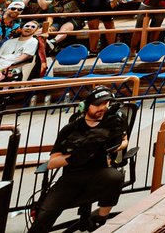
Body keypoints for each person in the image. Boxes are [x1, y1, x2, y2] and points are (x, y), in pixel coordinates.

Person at [28, 88, 128, 233]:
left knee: (115, 177)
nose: (102, 108)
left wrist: (112, 147)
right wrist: (76, 156)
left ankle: (101, 222)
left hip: (99, 173)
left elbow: (125, 141)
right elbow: (52, 163)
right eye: (97, 104)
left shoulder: (112, 122)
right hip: (71, 178)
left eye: (105, 104)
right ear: (86, 106)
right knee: (45, 214)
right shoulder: (71, 129)